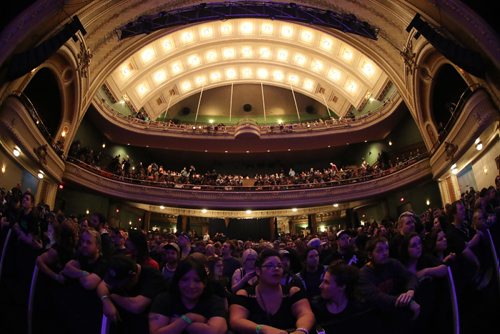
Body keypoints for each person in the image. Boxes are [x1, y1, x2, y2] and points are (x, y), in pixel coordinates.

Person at [229, 248, 315, 334]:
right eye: (270, 265)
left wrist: (301, 330)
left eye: (279, 266)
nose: (276, 268)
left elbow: (306, 314)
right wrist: (262, 329)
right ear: (258, 271)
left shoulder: (292, 292)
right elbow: (236, 320)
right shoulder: (245, 294)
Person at [149, 258, 228, 334]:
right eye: (185, 280)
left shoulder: (214, 302)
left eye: (197, 280)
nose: (191, 286)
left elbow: (213, 332)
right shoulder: (164, 300)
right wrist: (187, 319)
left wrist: (180, 320)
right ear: (177, 281)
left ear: (204, 283)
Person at [359, 237, 420, 333]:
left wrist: (410, 290)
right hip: (376, 319)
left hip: (396, 315)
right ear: (370, 255)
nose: (385, 253)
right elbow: (377, 297)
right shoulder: (364, 274)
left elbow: (411, 277)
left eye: (386, 249)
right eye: (380, 250)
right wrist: (408, 302)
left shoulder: (393, 263)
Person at [97, 254, 166, 333]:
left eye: (118, 283)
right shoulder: (120, 272)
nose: (114, 285)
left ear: (133, 276)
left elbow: (136, 306)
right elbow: (102, 285)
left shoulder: (153, 277)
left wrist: (112, 296)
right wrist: (106, 301)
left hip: (147, 327)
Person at [312, 260, 383, 334]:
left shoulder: (360, 310)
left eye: (326, 282)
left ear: (342, 286)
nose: (320, 286)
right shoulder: (316, 308)